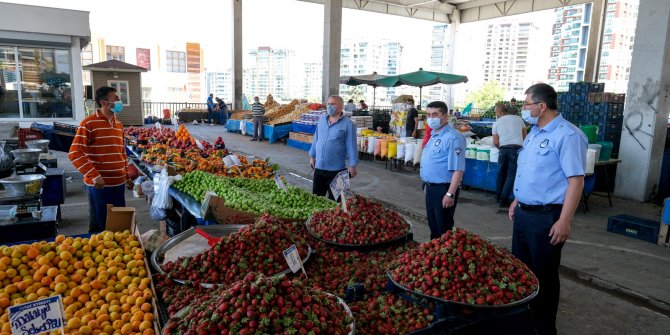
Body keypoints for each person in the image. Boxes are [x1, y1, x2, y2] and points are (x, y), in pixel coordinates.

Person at [509, 83, 587, 335]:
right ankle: (523, 323)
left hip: (546, 217)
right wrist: (517, 199)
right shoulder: (534, 132)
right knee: (521, 273)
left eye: (526, 104)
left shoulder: (568, 135)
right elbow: (530, 171)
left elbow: (576, 180)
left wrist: (564, 221)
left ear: (541, 106)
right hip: (523, 214)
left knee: (543, 277)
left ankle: (543, 329)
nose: (524, 109)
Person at [69, 86, 132, 233]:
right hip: (99, 187)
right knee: (100, 226)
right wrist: (94, 175)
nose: (119, 101)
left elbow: (121, 152)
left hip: (118, 185)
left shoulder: (118, 124)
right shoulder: (89, 124)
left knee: (118, 227)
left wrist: (126, 176)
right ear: (104, 103)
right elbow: (75, 153)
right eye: (115, 99)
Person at [420, 101, 466, 239]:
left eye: (435, 114)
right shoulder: (434, 135)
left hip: (444, 189)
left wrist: (450, 194)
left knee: (443, 229)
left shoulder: (453, 137)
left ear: (445, 116)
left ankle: (444, 255)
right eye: (428, 115)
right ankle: (434, 255)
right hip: (430, 188)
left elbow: (458, 169)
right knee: (433, 227)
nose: (431, 118)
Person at [309, 95, 358, 200]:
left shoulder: (348, 124)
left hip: (338, 171)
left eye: (332, 104)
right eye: (328, 104)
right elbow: (316, 138)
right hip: (319, 168)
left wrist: (352, 165)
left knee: (336, 203)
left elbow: (351, 145)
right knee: (316, 200)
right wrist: (312, 156)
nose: (329, 106)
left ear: (340, 107)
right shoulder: (322, 119)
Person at [492, 101, 526, 208]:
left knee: (501, 172)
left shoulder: (496, 123)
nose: (496, 114)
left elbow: (496, 142)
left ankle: (498, 196)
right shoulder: (519, 119)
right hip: (516, 149)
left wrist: (502, 149)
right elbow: (525, 136)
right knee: (511, 175)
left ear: (500, 112)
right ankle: (503, 199)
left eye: (496, 112)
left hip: (503, 150)